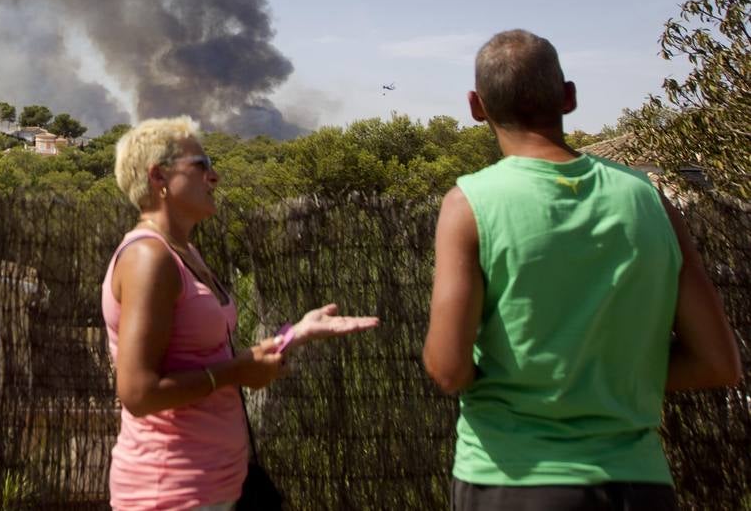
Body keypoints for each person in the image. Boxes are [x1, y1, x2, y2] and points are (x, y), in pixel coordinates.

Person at [423, 30, 742, 511]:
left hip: (511, 480)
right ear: (568, 97)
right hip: (639, 486)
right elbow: (719, 363)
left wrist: (541, 380)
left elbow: (448, 370)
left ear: (476, 106)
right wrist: (611, 379)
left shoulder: (470, 205)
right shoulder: (649, 199)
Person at [103, 116, 379, 510]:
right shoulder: (149, 258)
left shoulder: (184, 252)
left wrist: (294, 334)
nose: (214, 176)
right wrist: (236, 373)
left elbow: (207, 357)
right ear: (158, 177)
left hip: (218, 485)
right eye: (202, 164)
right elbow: (138, 393)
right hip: (171, 491)